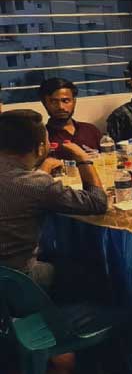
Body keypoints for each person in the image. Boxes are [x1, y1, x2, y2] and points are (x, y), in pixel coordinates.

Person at [0, 110, 107, 291]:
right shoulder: (35, 184)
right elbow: (97, 202)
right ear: (41, 148)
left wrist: (42, 170)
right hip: (17, 278)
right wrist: (83, 159)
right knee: (98, 270)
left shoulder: (31, 181)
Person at [39, 78, 102, 156]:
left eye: (66, 101)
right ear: (44, 104)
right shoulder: (41, 137)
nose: (61, 107)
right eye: (54, 102)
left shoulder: (91, 130)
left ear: (74, 102)